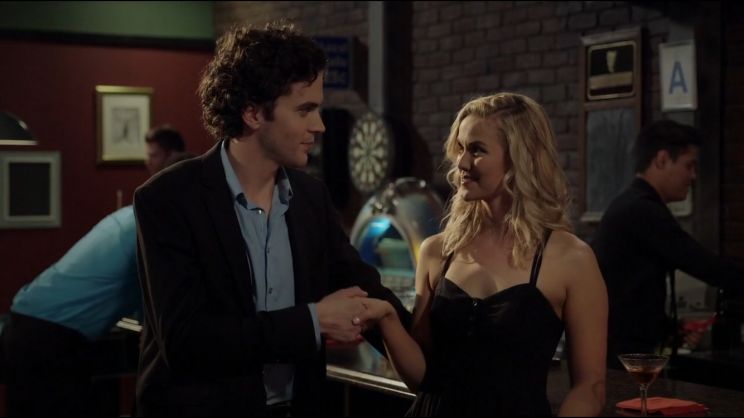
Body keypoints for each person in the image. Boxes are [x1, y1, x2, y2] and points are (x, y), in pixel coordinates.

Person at [132, 22, 410, 417]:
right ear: (252, 112)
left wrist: (447, 357)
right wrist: (313, 321)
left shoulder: (310, 197)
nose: (319, 125)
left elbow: (366, 290)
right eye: (304, 109)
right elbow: (186, 340)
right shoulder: (169, 198)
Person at [360, 93, 608, 416]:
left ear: (519, 158)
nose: (462, 163)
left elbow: (590, 387)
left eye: (476, 150)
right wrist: (388, 319)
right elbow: (425, 378)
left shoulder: (571, 260)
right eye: (460, 148)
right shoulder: (437, 251)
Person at [0, 134, 191, 417]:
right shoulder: (153, 224)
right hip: (50, 339)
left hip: (24, 324)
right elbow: (155, 306)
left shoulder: (128, 214)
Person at [590, 120, 744, 365]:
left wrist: (671, 327)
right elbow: (701, 262)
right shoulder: (642, 209)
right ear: (662, 160)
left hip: (616, 349)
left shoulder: (634, 203)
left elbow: (633, 289)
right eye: (689, 165)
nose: (693, 176)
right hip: (620, 355)